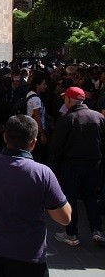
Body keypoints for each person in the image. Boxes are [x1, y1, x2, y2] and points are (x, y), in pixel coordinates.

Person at [0, 114, 71, 276]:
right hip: (27, 256)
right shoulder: (42, 173)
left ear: (5, 136)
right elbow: (64, 217)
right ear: (33, 142)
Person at [50, 87, 105, 246]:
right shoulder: (98, 117)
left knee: (71, 199)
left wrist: (54, 166)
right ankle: (97, 230)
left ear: (68, 100)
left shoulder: (67, 119)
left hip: (71, 165)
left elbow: (57, 146)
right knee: (91, 198)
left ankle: (71, 233)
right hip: (94, 164)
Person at [25, 72, 49, 164]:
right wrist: (42, 133)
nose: (45, 86)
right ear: (37, 85)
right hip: (37, 131)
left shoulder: (29, 94)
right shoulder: (36, 99)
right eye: (43, 84)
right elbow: (37, 116)